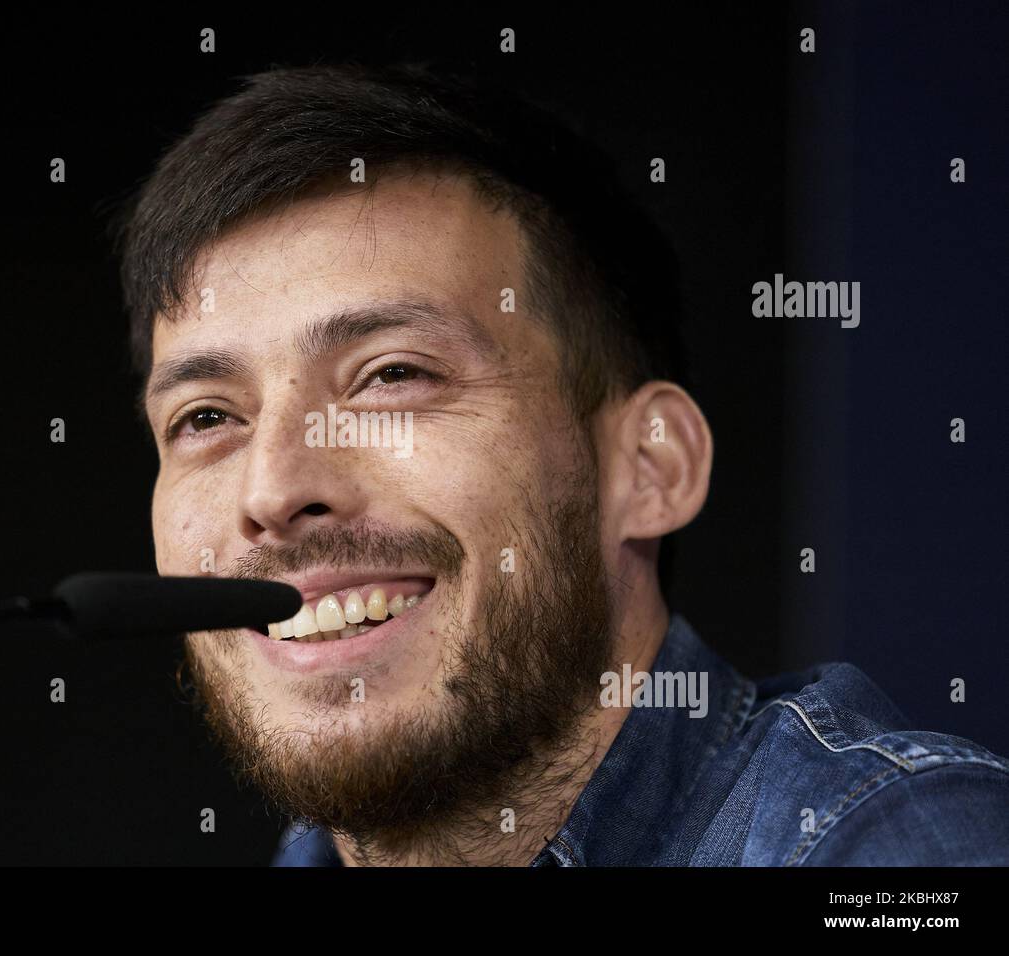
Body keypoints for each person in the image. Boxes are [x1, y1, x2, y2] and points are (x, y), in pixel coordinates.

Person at [115, 63, 1009, 866]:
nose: (272, 490)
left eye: (391, 375)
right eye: (206, 417)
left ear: (649, 468)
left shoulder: (884, 848)